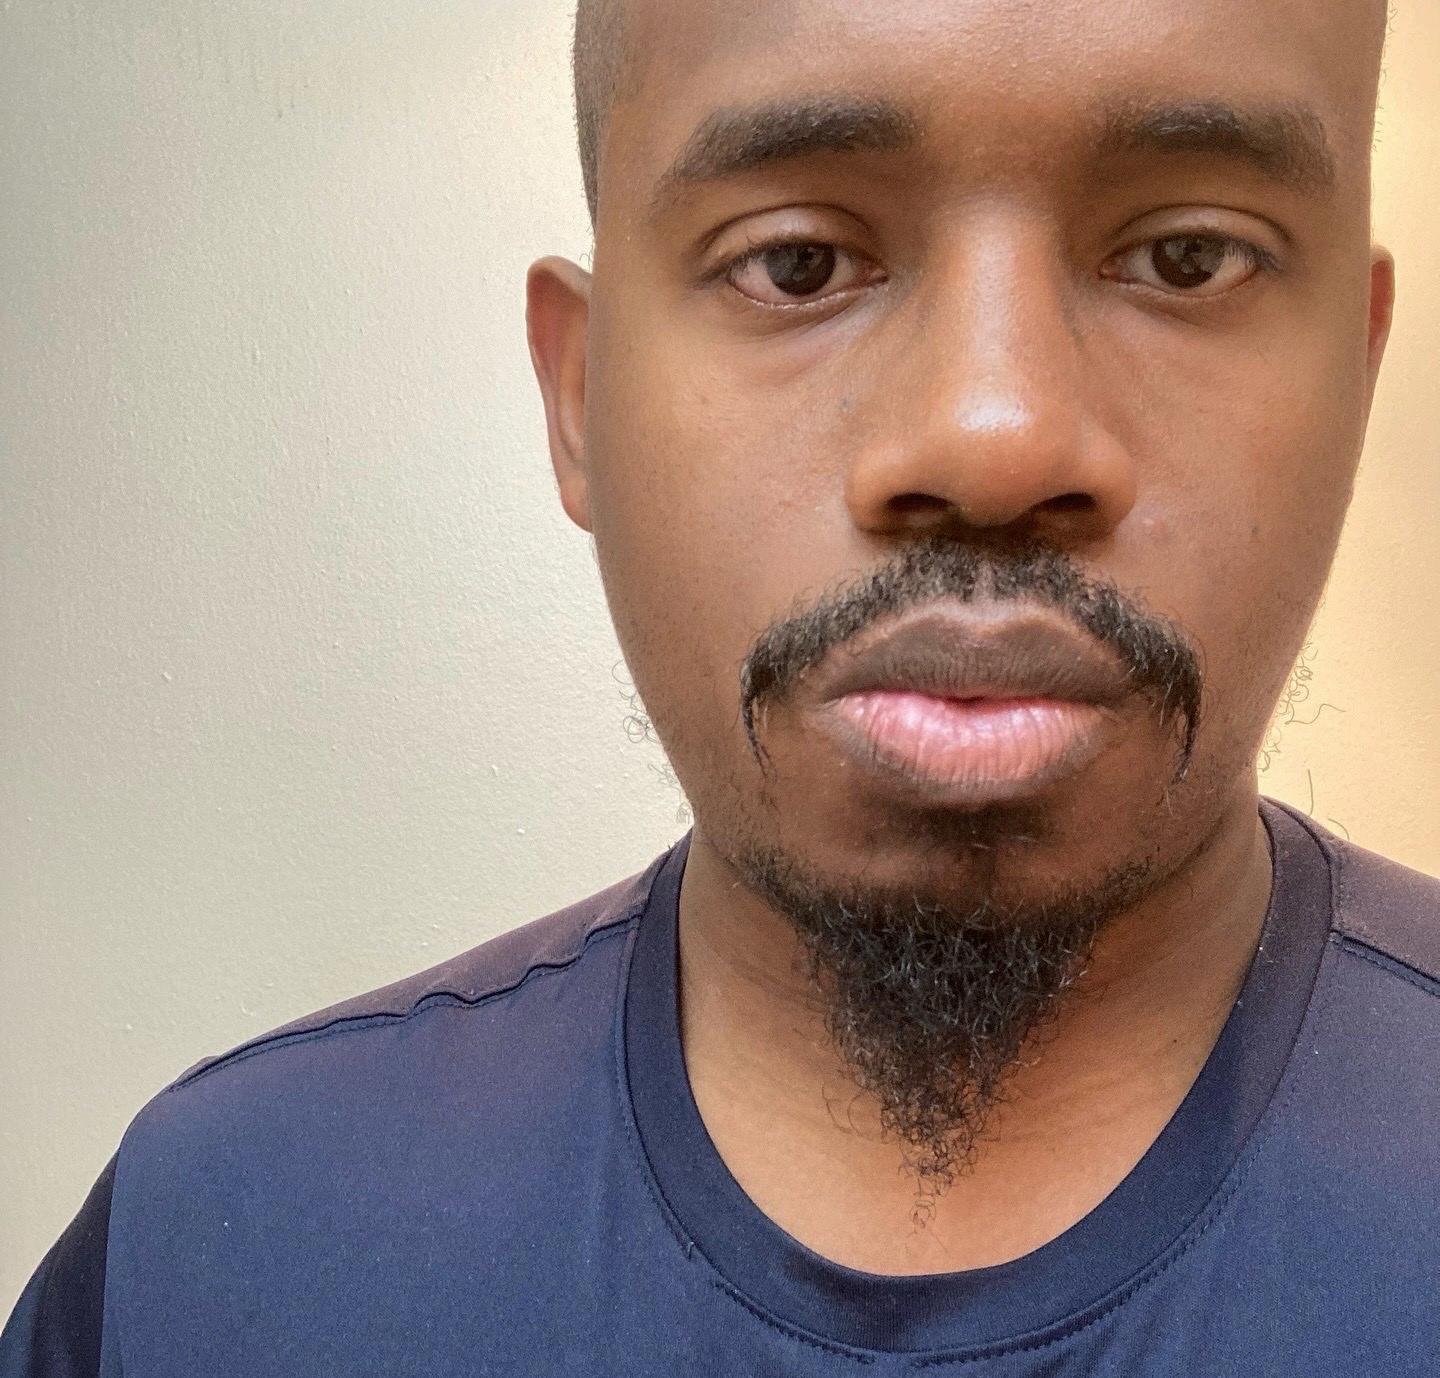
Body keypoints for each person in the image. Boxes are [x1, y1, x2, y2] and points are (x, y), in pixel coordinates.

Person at [5, 0, 1434, 1372]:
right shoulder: (215, 1259)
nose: (993, 438)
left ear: (1356, 383)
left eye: (1189, 258)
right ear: (579, 395)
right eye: (797, 264)